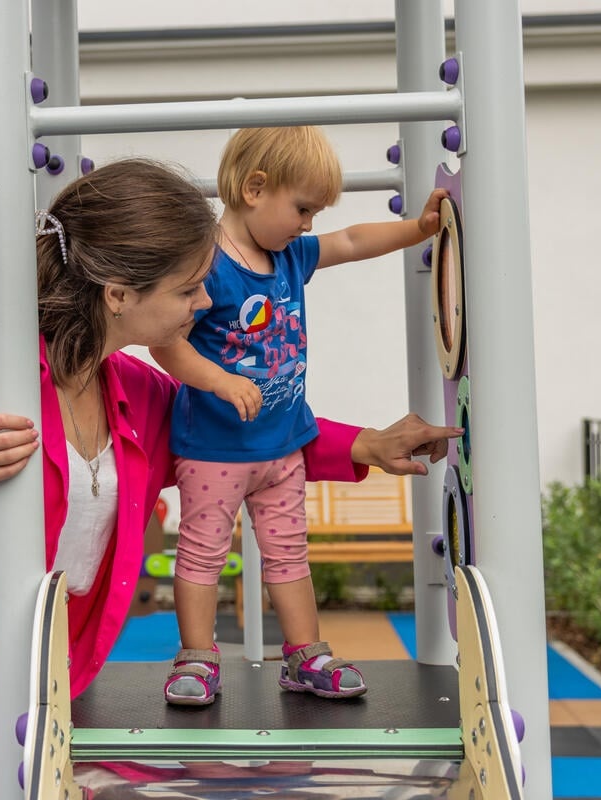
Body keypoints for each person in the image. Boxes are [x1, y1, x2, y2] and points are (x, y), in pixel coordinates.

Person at [0, 157, 461, 800]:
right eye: (189, 289)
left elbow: (238, 443)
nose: (204, 306)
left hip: (45, 711)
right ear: (120, 293)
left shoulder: (134, 391)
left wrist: (370, 443)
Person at [150, 127, 449, 707]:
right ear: (256, 188)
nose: (308, 224)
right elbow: (166, 341)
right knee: (203, 553)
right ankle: (197, 658)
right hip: (214, 449)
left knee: (289, 553)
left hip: (282, 447)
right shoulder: (204, 265)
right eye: (302, 208)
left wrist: (418, 229)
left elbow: (354, 240)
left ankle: (305, 656)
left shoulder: (290, 256)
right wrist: (219, 380)